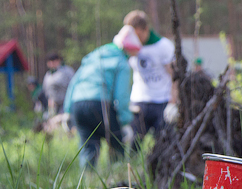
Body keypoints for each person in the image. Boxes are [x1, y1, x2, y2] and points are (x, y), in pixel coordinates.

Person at [63, 26, 140, 167]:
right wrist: (125, 122)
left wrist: (67, 112)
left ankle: (88, 183)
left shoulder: (93, 57)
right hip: (100, 105)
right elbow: (121, 96)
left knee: (88, 147)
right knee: (117, 144)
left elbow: (74, 83)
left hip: (77, 105)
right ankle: (118, 181)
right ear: (127, 49)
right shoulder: (122, 62)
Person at [123, 10, 176, 146]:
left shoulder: (163, 46)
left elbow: (175, 76)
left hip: (161, 101)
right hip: (139, 101)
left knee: (163, 143)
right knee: (134, 143)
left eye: (138, 34)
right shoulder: (130, 48)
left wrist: (173, 102)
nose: (136, 38)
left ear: (146, 29)